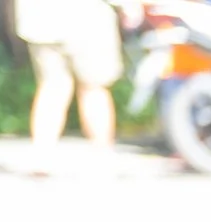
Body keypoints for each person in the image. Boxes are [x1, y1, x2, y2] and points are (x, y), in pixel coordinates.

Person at [15, 0, 140, 163]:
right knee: (94, 87)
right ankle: (102, 154)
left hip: (41, 20)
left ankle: (42, 154)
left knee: (52, 87)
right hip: (86, 18)